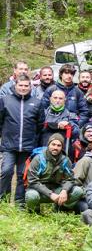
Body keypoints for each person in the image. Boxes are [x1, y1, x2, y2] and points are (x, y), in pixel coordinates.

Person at [0, 74, 43, 205]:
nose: (23, 88)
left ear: (30, 86)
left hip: (27, 146)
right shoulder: (5, 100)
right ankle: (3, 200)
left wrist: (34, 142)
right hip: (9, 145)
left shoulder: (36, 102)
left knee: (21, 175)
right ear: (15, 85)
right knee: (6, 171)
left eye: (26, 85)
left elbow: (40, 124)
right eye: (21, 85)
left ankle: (20, 203)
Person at [25, 134, 85, 213]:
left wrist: (64, 190)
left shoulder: (65, 160)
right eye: (53, 144)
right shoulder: (38, 159)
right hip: (40, 190)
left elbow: (70, 179)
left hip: (57, 189)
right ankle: (34, 212)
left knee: (78, 191)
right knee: (31, 196)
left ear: (61, 147)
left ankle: (61, 208)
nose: (55, 148)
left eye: (58, 145)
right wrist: (50, 194)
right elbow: (32, 181)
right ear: (48, 145)